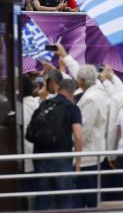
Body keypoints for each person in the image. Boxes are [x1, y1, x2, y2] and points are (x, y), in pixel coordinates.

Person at [28, 77, 82, 210]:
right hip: (62, 159)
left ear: (59, 89)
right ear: (72, 92)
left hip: (40, 157)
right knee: (64, 199)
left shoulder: (44, 104)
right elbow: (78, 135)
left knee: (43, 199)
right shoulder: (72, 108)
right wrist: (78, 162)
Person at [73, 65, 108, 209]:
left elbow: (84, 129)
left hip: (87, 153)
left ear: (81, 80)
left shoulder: (91, 98)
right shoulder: (97, 93)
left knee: (89, 197)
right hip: (91, 150)